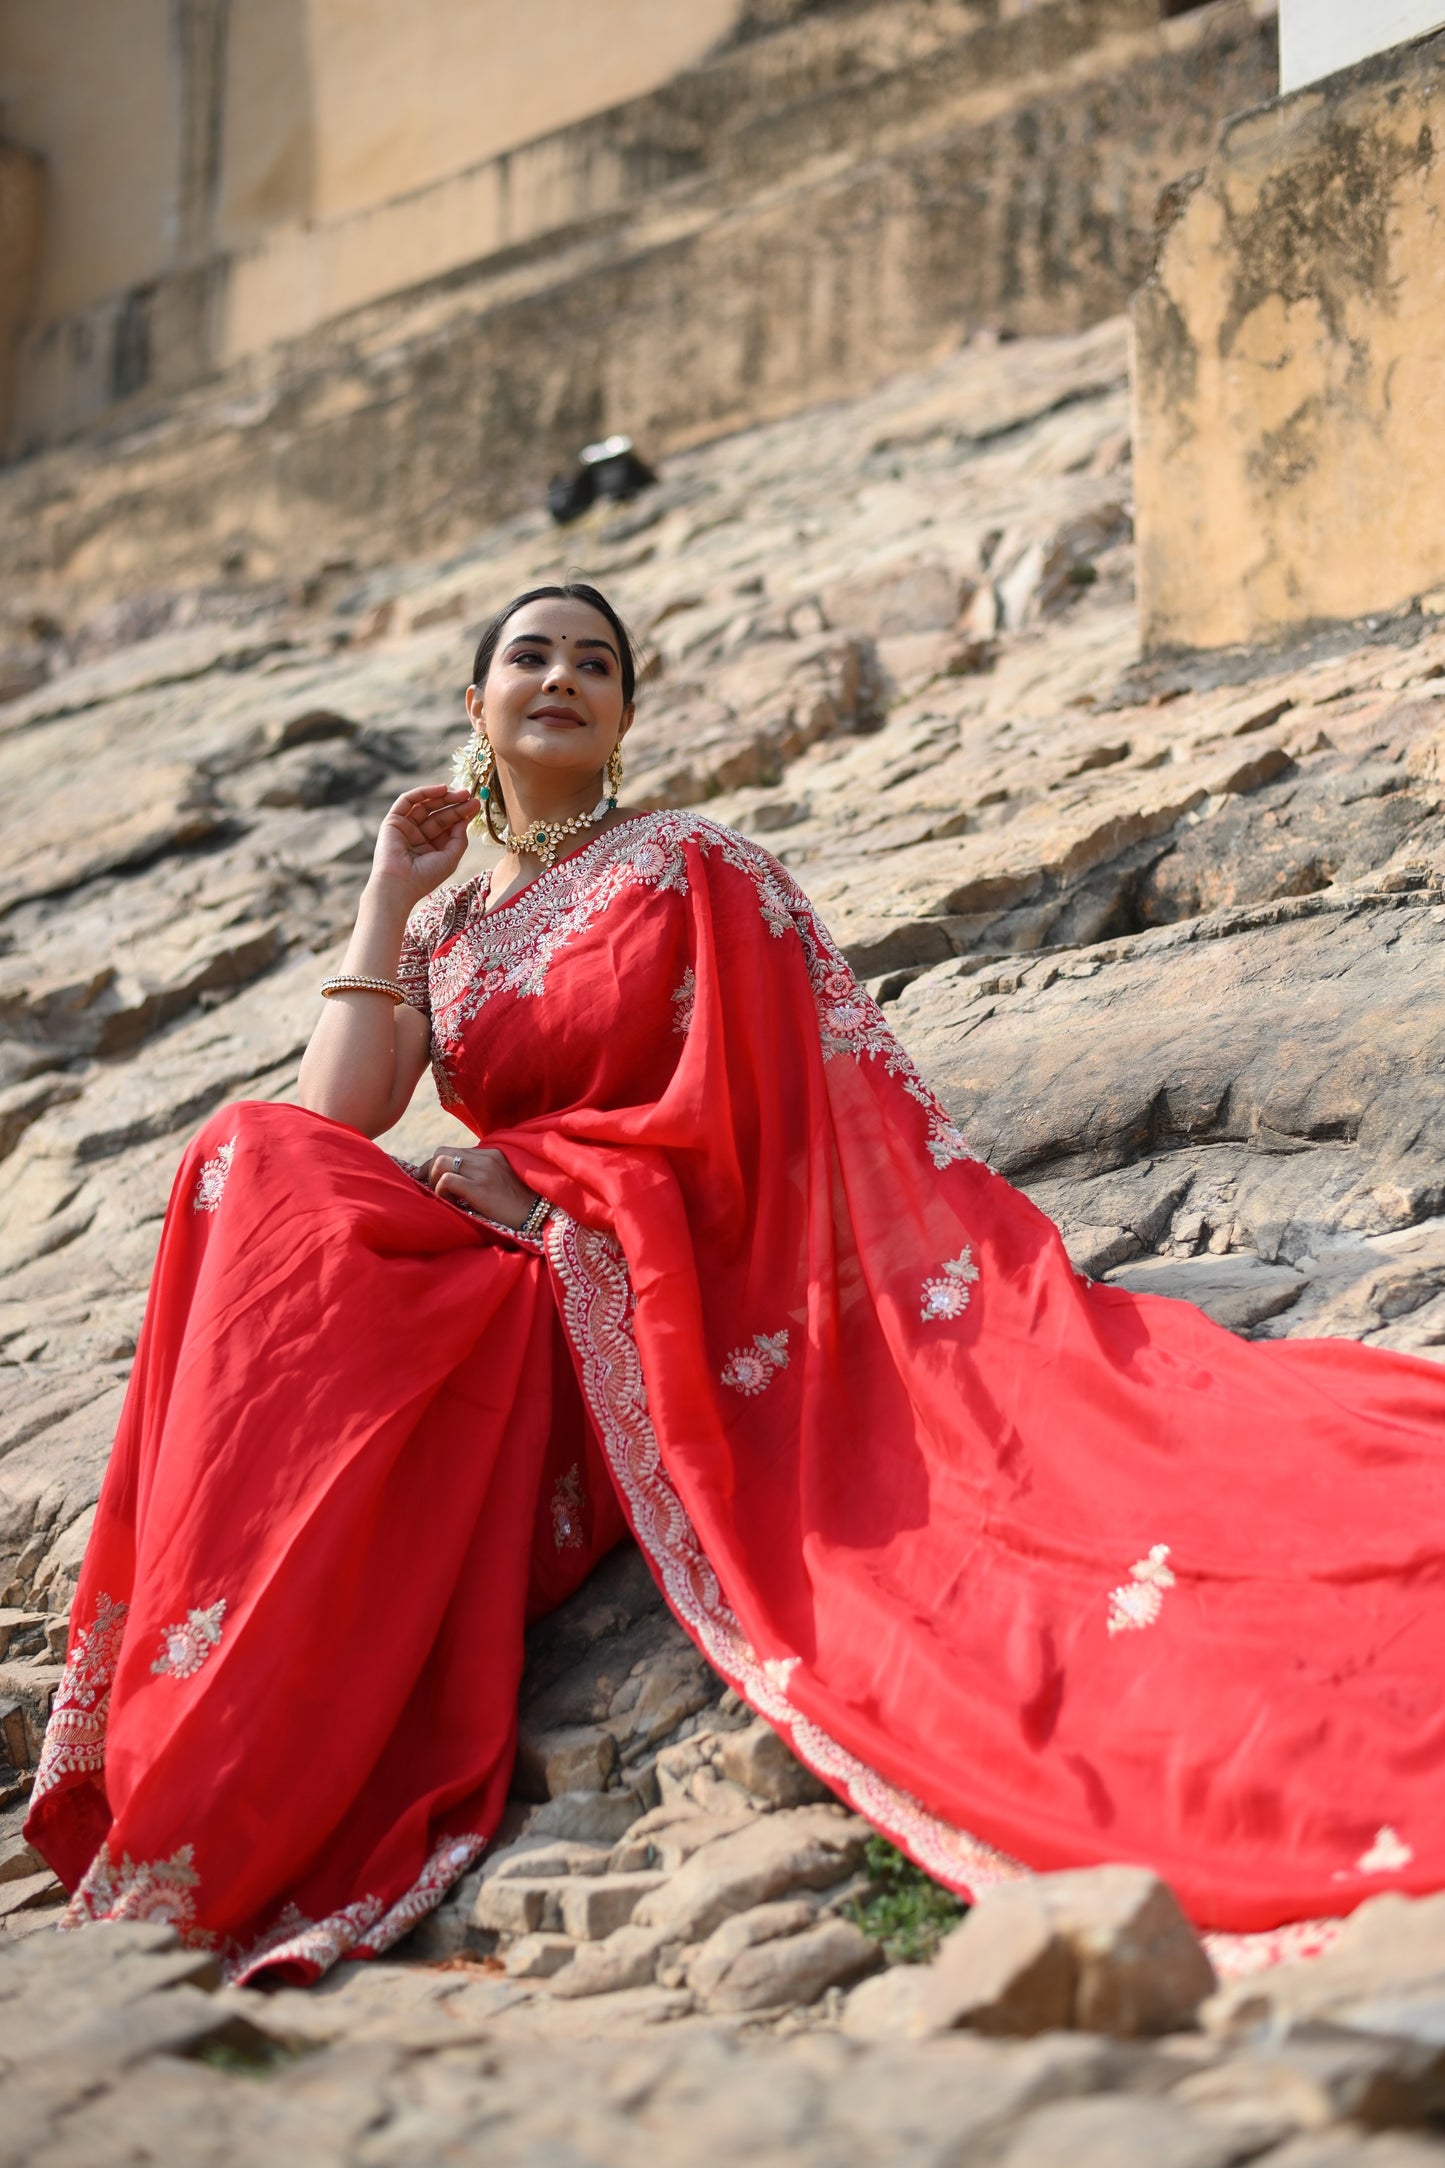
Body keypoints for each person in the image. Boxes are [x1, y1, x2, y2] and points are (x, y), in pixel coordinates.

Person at [25, 582, 1445, 1985]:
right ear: (477, 705)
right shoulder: (444, 930)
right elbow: (338, 1117)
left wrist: (560, 1196)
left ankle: (253, 1732)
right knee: (249, 1158)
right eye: (530, 657)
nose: (563, 677)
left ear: (625, 714)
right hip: (506, 1262)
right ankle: (212, 1714)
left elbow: (794, 1128)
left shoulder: (691, 868)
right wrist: (389, 894)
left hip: (632, 1280)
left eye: (596, 663)